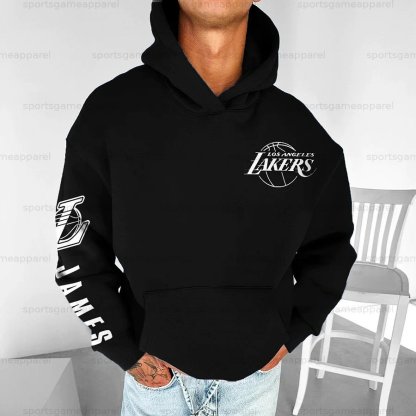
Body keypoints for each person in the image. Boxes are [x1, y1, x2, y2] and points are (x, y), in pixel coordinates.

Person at [54, 0, 357, 414]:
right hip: (156, 383)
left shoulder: (298, 130)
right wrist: (122, 347)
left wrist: (296, 329)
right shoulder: (110, 113)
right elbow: (77, 248)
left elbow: (331, 247)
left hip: (255, 384)